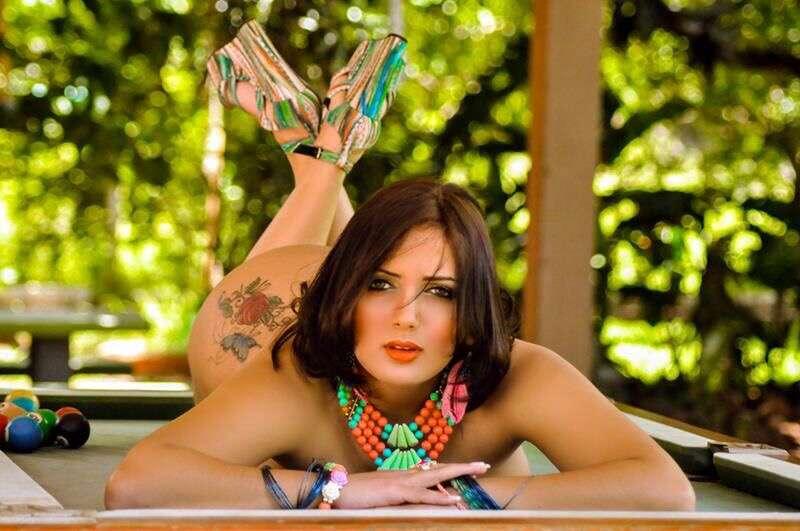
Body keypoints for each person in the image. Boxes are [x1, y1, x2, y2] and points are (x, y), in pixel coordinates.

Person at [104, 20, 695, 511]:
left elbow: (665, 491)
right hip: (255, 325)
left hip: (349, 297)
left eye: (441, 291)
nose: (407, 316)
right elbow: (136, 484)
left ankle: (317, 154)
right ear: (347, 291)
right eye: (380, 285)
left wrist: (464, 493)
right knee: (237, 346)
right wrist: (342, 489)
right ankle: (321, 161)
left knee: (383, 251)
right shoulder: (293, 376)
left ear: (473, 307)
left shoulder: (519, 373)